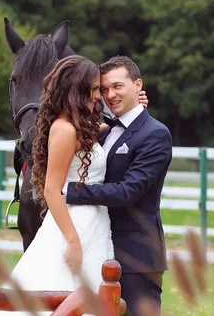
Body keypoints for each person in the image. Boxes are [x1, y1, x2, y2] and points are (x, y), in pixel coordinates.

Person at [0, 54, 149, 316]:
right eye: (94, 89)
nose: (99, 96)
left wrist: (137, 110)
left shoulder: (82, 126)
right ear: (76, 89)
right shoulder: (65, 129)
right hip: (74, 225)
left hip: (95, 224)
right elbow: (51, 189)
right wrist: (72, 241)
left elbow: (115, 128)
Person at [64, 55, 173, 316]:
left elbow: (129, 191)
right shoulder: (102, 130)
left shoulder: (155, 134)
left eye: (118, 86)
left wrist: (70, 191)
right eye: (104, 89)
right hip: (99, 248)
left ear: (138, 85)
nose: (110, 95)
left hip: (136, 255)